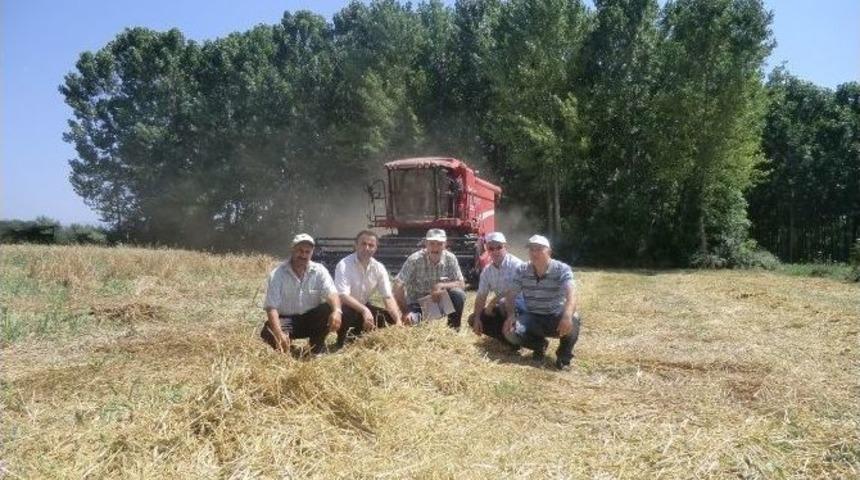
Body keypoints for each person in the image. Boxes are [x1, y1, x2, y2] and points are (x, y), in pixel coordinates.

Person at [503, 235, 581, 370]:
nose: (534, 253)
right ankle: (539, 345)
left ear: (549, 252)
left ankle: (564, 358)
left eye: (539, 249)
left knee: (574, 320)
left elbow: (571, 294)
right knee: (510, 332)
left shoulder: (562, 269)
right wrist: (510, 315)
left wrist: (567, 316)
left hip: (555, 316)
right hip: (532, 316)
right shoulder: (522, 269)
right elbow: (510, 295)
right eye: (531, 249)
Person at [260, 233, 342, 355]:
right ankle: (287, 348)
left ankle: (316, 348)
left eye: (307, 252)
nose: (303, 255)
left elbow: (331, 292)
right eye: (300, 250)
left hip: (311, 319)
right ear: (292, 250)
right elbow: (271, 307)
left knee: (327, 309)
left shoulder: (319, 270)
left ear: (312, 253)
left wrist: (337, 311)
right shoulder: (277, 274)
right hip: (287, 321)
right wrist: (278, 333)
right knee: (267, 332)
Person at [333, 230, 403, 347]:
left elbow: (388, 297)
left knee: (389, 319)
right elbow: (343, 296)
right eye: (363, 244)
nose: (367, 248)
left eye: (371, 245)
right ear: (355, 246)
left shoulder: (379, 268)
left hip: (363, 306)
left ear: (375, 248)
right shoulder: (344, 265)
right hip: (345, 307)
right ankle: (341, 341)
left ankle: (358, 334)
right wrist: (365, 310)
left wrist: (398, 320)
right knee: (347, 313)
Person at [393, 228, 466, 329]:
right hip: (417, 306)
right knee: (412, 324)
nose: (435, 247)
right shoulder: (414, 260)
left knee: (458, 295)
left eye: (439, 243)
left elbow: (461, 284)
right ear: (426, 244)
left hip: (438, 303)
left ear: (445, 245)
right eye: (432, 243)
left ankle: (453, 331)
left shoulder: (450, 258)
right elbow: (397, 286)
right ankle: (414, 319)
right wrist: (405, 312)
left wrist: (441, 286)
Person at [468, 232, 524, 346]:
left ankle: (532, 341)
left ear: (506, 247)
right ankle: (511, 342)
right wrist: (478, 318)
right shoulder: (487, 271)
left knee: (504, 303)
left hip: (523, 308)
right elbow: (481, 296)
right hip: (504, 308)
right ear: (486, 250)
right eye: (491, 248)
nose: (495, 251)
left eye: (499, 247)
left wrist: (493, 301)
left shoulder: (517, 265)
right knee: (473, 319)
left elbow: (515, 291)